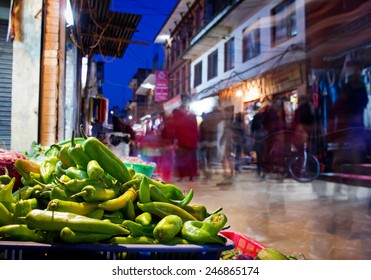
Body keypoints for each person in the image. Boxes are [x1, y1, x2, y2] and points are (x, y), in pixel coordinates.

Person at [172, 101, 199, 181]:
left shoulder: (178, 118)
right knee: (190, 160)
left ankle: (182, 176)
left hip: (183, 143)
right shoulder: (192, 117)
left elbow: (175, 131)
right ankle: (191, 176)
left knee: (182, 160)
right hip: (191, 143)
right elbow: (196, 130)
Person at [251, 103, 268, 179]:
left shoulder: (259, 117)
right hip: (263, 136)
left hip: (260, 137)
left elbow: (252, 129)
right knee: (261, 154)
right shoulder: (262, 116)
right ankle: (261, 170)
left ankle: (261, 170)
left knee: (260, 154)